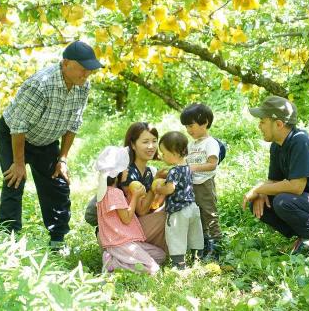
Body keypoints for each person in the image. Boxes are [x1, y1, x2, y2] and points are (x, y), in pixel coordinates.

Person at [0, 40, 103, 249]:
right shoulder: (40, 84)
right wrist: (19, 163)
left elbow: (74, 123)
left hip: (46, 139)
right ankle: (8, 236)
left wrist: (62, 158)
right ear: (65, 64)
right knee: (14, 179)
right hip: (15, 135)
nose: (86, 74)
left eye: (90, 70)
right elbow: (18, 126)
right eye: (83, 69)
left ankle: (57, 240)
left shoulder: (83, 86)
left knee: (57, 183)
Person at [241, 96, 309, 255]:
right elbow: (274, 180)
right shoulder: (277, 145)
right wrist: (261, 191)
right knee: (259, 203)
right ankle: (302, 235)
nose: (259, 126)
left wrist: (261, 188)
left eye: (262, 121)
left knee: (282, 201)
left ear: (279, 124)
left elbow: (296, 187)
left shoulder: (300, 142)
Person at [84, 122, 168, 252]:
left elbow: (153, 205)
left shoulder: (150, 170)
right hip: (118, 232)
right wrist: (154, 185)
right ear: (133, 144)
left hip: (132, 226)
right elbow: (141, 210)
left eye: (154, 141)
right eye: (145, 142)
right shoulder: (126, 172)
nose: (151, 146)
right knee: (166, 217)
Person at [95, 146, 166, 275]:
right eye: (125, 168)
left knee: (160, 255)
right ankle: (112, 264)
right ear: (117, 173)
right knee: (153, 270)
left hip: (124, 242)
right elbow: (127, 218)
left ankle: (119, 261)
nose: (127, 170)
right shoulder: (114, 193)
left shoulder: (108, 192)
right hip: (118, 243)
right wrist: (135, 197)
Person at [156, 131, 204, 269]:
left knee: (176, 235)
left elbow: (170, 189)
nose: (162, 156)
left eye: (164, 153)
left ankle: (179, 264)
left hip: (178, 210)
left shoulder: (174, 171)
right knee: (195, 234)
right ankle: (197, 259)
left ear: (175, 153)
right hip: (192, 207)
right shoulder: (187, 167)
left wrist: (160, 188)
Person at [180, 103, 222, 258]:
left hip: (205, 183)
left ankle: (215, 245)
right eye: (186, 127)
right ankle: (202, 244)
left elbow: (212, 164)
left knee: (208, 213)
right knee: (197, 214)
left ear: (205, 122)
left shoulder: (210, 143)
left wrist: (193, 168)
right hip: (192, 185)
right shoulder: (191, 144)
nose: (189, 130)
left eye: (191, 125)